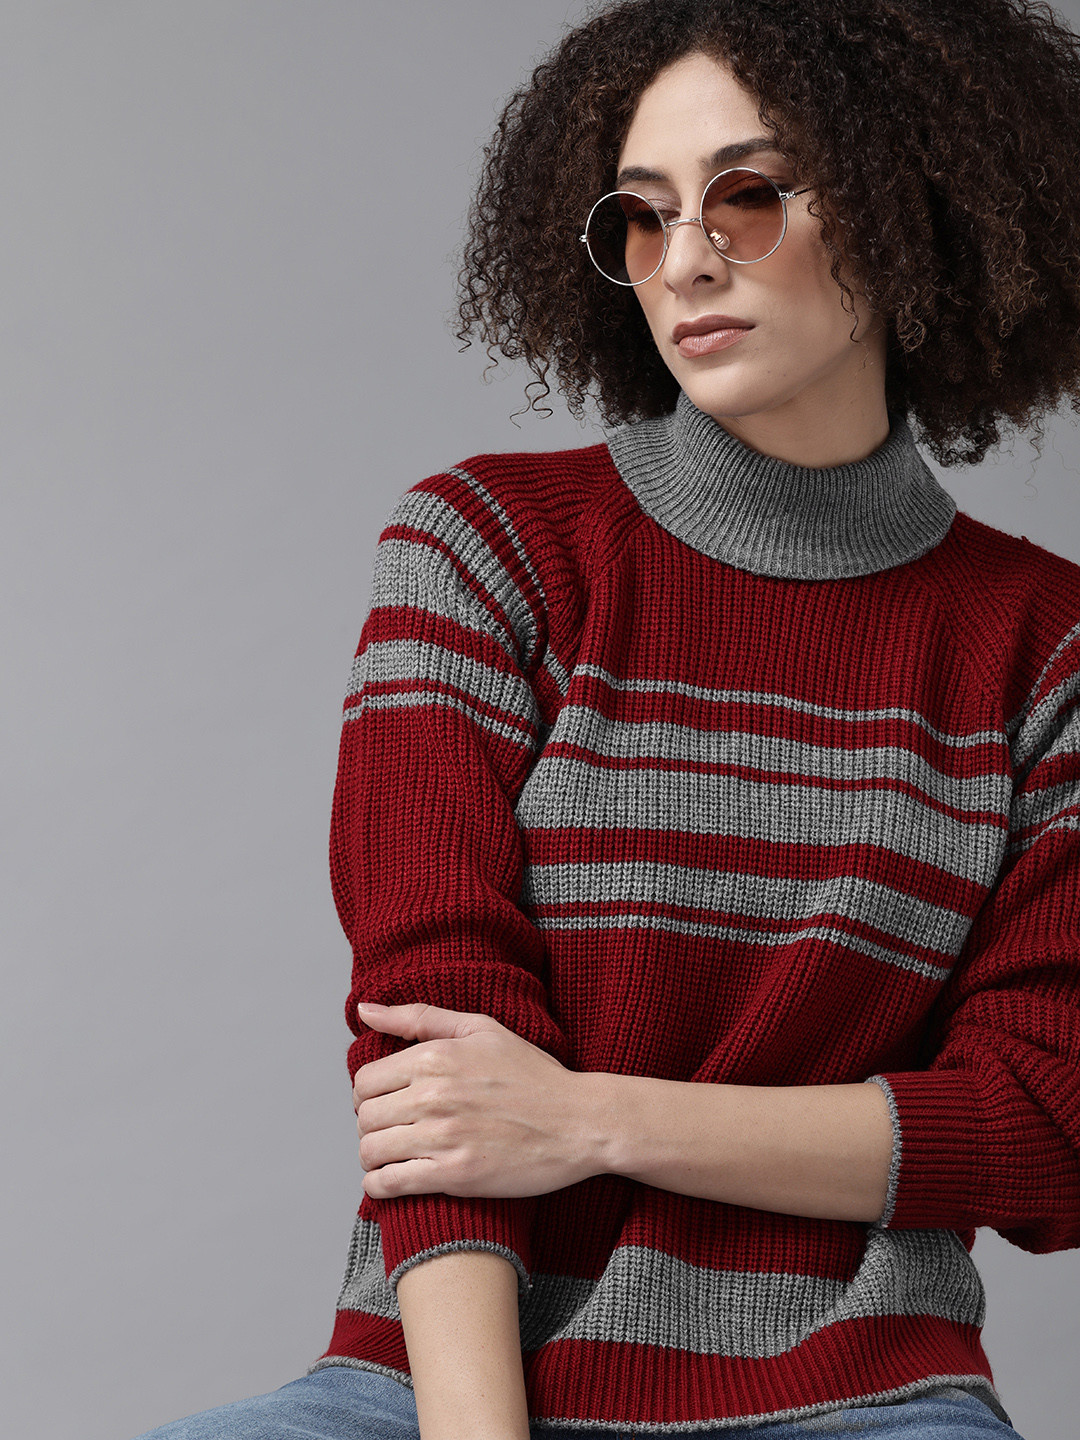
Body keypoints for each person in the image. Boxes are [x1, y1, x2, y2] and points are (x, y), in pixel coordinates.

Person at [130, 0, 1080, 1436]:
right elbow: (436, 1058)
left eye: (749, 196)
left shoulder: (1043, 647)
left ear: (917, 207)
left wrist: (589, 1119)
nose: (685, 259)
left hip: (864, 1397)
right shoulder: (487, 548)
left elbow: (1043, 1126)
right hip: (437, 1387)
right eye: (642, 217)